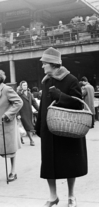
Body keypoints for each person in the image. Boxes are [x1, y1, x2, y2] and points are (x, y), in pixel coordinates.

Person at [35, 47, 87, 207]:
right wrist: (38, 125)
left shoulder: (70, 79)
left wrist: (61, 97)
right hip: (49, 129)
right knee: (49, 164)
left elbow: (79, 104)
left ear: (52, 64)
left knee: (69, 163)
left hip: (67, 129)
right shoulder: (46, 81)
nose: (42, 66)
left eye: (44, 63)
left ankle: (71, 196)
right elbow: (43, 104)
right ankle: (53, 197)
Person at [17, 81, 39, 146]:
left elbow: (34, 103)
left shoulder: (29, 94)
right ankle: (31, 140)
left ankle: (21, 138)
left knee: (28, 127)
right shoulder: (18, 94)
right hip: (22, 113)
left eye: (26, 85)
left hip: (29, 113)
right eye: (24, 85)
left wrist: (39, 110)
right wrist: (17, 114)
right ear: (21, 86)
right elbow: (16, 104)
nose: (25, 86)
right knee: (27, 127)